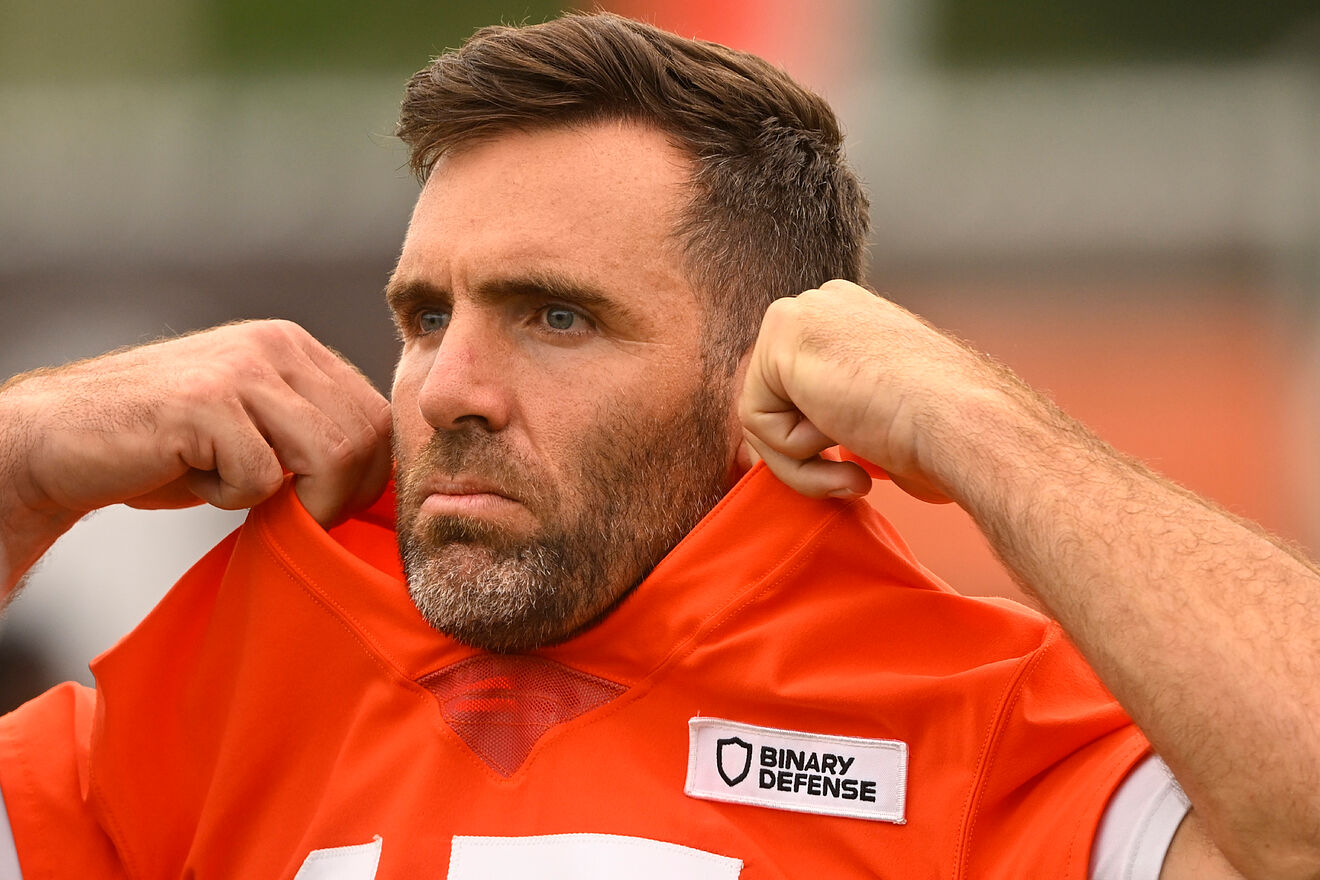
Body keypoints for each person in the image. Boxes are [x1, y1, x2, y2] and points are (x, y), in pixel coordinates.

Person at [0, 12, 1316, 880]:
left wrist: (974, 417)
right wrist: (19, 461)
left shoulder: (968, 725)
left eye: (556, 317)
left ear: (772, 374)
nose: (447, 390)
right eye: (426, 316)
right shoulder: (225, 696)